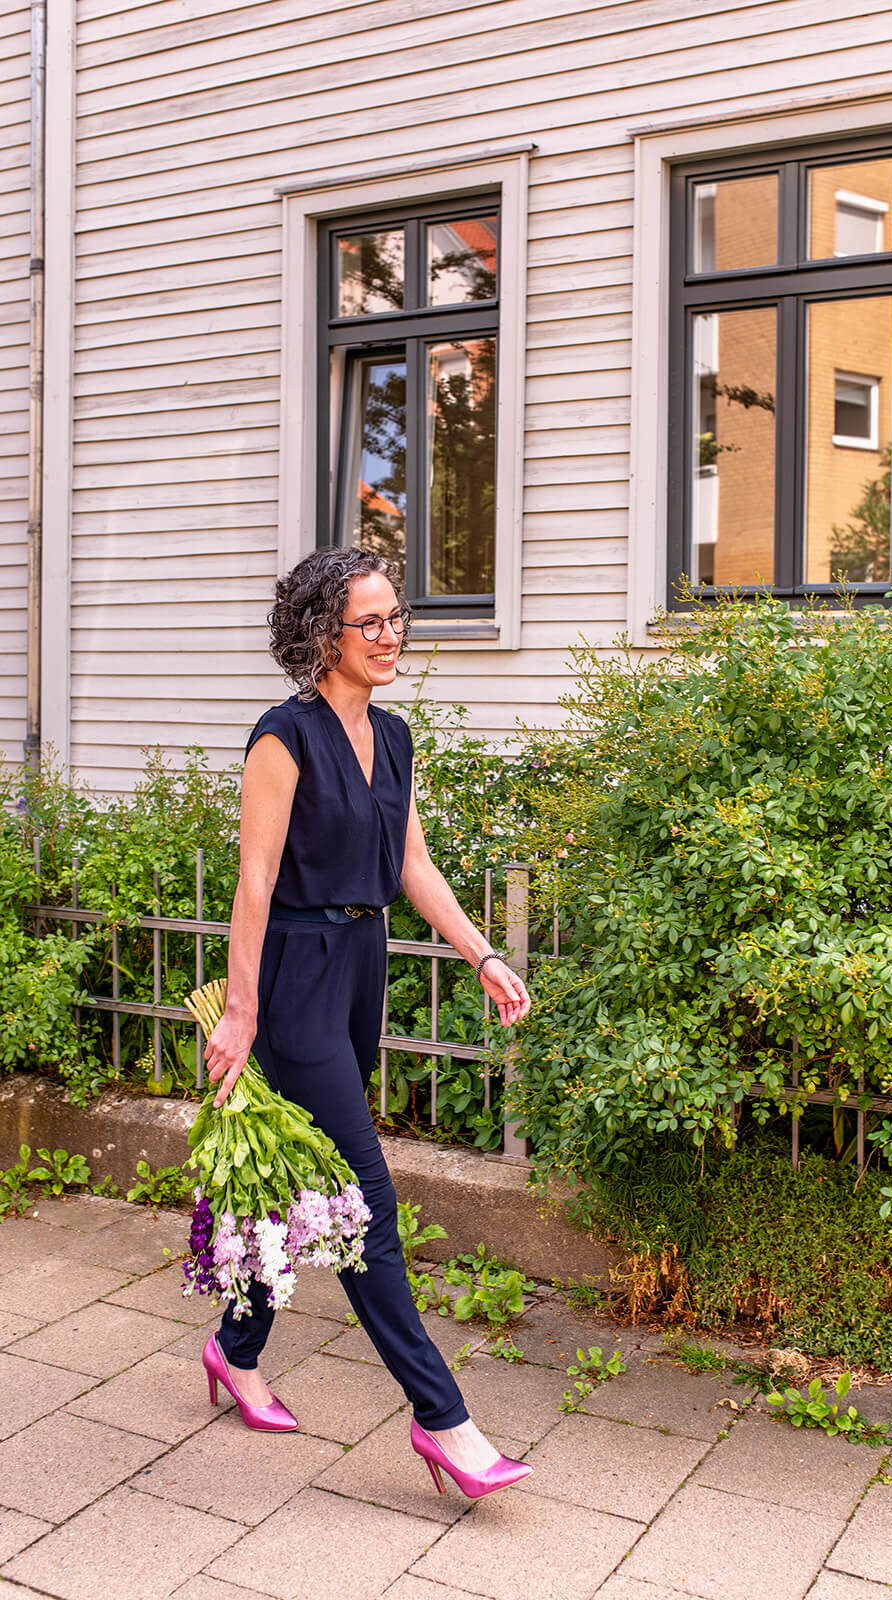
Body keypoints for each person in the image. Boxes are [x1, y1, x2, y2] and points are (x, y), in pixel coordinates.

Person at [200, 546, 533, 1500]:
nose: (391, 638)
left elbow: (408, 864)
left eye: (397, 620)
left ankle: (234, 1349)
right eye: (371, 623)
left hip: (360, 965)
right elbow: (254, 881)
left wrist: (484, 953)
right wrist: (240, 1008)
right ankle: (446, 1425)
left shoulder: (392, 735)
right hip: (296, 974)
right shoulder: (283, 738)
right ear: (321, 635)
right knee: (361, 1200)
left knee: (296, 1181)